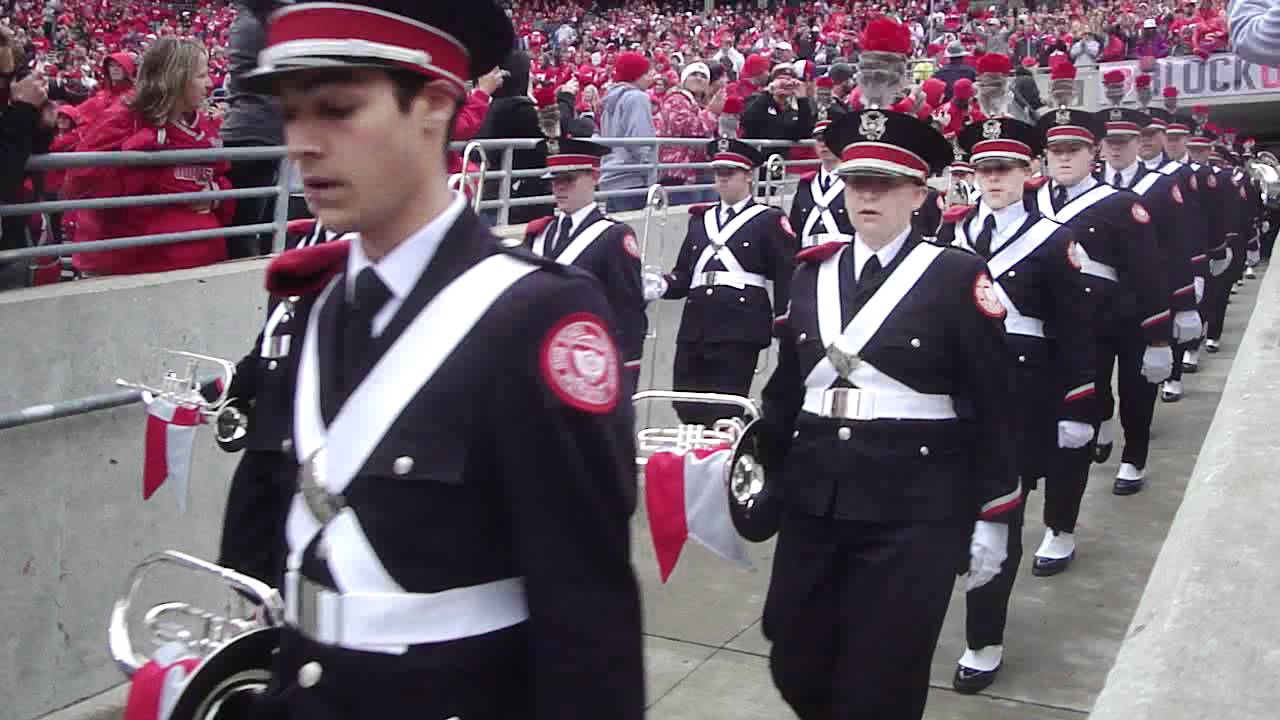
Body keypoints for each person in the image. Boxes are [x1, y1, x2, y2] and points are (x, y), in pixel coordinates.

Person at [227, 2, 645, 717]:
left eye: (338, 109)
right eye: (291, 114)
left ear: (434, 105)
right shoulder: (319, 302)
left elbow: (586, 615)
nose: (302, 145)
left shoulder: (536, 316)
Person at [754, 18, 1019, 720]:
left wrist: (994, 514)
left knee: (882, 678)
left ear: (919, 195)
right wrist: (750, 463)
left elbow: (996, 402)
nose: (866, 196)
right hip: (817, 493)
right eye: (856, 183)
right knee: (794, 655)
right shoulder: (811, 275)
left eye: (885, 184)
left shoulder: (956, 277)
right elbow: (787, 387)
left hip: (914, 504)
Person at [938, 116, 1097, 694]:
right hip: (954, 396)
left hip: (1021, 397)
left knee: (1000, 517)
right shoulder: (951, 234)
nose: (994, 179)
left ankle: (984, 639)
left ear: (1029, 170)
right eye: (985, 169)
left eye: (1005, 168)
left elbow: (1077, 330)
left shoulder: (1052, 239)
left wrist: (1078, 405)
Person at [1029, 105, 1173, 577]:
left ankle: (1132, 456)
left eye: (1073, 149)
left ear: (1093, 153)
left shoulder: (1119, 205)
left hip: (1117, 318)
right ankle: (1059, 517)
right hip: (1056, 330)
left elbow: (1148, 271)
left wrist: (1158, 336)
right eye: (1056, 150)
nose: (1063, 157)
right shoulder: (1031, 201)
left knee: (1132, 390)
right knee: (1072, 417)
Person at [215, 219, 345, 589]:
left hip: (307, 442)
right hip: (267, 435)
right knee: (242, 562)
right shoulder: (303, 243)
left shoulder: (361, 256)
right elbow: (270, 339)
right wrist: (226, 390)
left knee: (294, 574)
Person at [647, 137, 796, 427]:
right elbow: (685, 274)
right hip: (696, 324)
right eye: (718, 173)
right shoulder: (700, 220)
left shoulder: (768, 219)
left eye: (730, 173)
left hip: (739, 325)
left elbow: (786, 273)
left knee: (725, 405)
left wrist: (784, 319)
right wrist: (662, 284)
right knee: (685, 402)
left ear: (748, 176)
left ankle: (731, 450)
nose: (722, 179)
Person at [1092, 105, 1200, 493]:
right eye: (1110, 142)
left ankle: (1134, 457)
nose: (1116, 148)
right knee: (1094, 381)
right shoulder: (1087, 185)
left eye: (1124, 141)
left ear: (1139, 143)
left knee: (1137, 388)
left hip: (1143, 303)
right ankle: (1102, 421)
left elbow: (1177, 244)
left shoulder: (1160, 185)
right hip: (1094, 306)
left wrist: (1184, 302)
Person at [62, 37, 234, 277]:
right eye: (201, 75)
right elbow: (78, 185)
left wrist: (216, 193)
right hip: (133, 268)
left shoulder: (201, 123)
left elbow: (221, 178)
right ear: (176, 78)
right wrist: (142, 169)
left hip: (201, 264)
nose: (209, 83)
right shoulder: (124, 119)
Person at [522, 134, 647, 398]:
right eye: (554, 180)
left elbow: (628, 311)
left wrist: (626, 370)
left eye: (568, 180)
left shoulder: (613, 237)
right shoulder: (539, 234)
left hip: (586, 365)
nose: (559, 188)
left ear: (594, 177)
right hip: (538, 361)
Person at [788, 101, 854, 248]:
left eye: (831, 138)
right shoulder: (806, 185)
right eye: (819, 139)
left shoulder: (854, 182)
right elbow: (795, 229)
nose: (824, 144)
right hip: (807, 255)